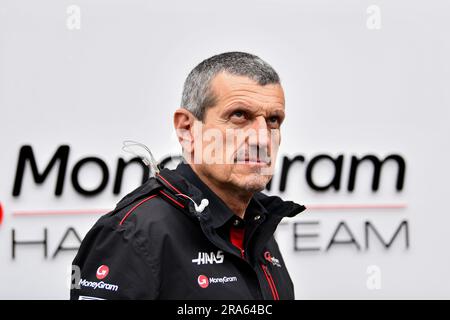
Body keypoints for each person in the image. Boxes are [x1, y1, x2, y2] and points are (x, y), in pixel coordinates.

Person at [70, 52, 306, 300]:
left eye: (273, 120)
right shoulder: (133, 234)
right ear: (187, 129)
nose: (262, 138)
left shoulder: (257, 225)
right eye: (239, 116)